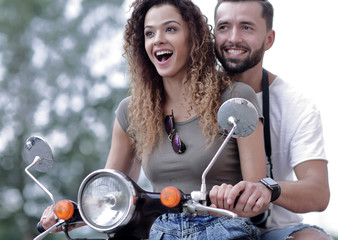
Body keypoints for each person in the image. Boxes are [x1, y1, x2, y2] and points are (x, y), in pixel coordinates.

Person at [40, 0, 268, 239]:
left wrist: (235, 197)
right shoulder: (132, 112)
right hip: (161, 232)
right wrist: (67, 214)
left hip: (225, 228)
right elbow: (106, 196)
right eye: (150, 33)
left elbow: (258, 197)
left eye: (170, 29)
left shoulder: (235, 98)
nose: (158, 39)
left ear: (193, 39)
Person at [211, 0, 332, 239]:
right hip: (210, 226)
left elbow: (318, 192)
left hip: (276, 230)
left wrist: (267, 188)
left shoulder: (297, 106)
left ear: (269, 39)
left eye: (247, 27)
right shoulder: (190, 97)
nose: (233, 38)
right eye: (224, 27)